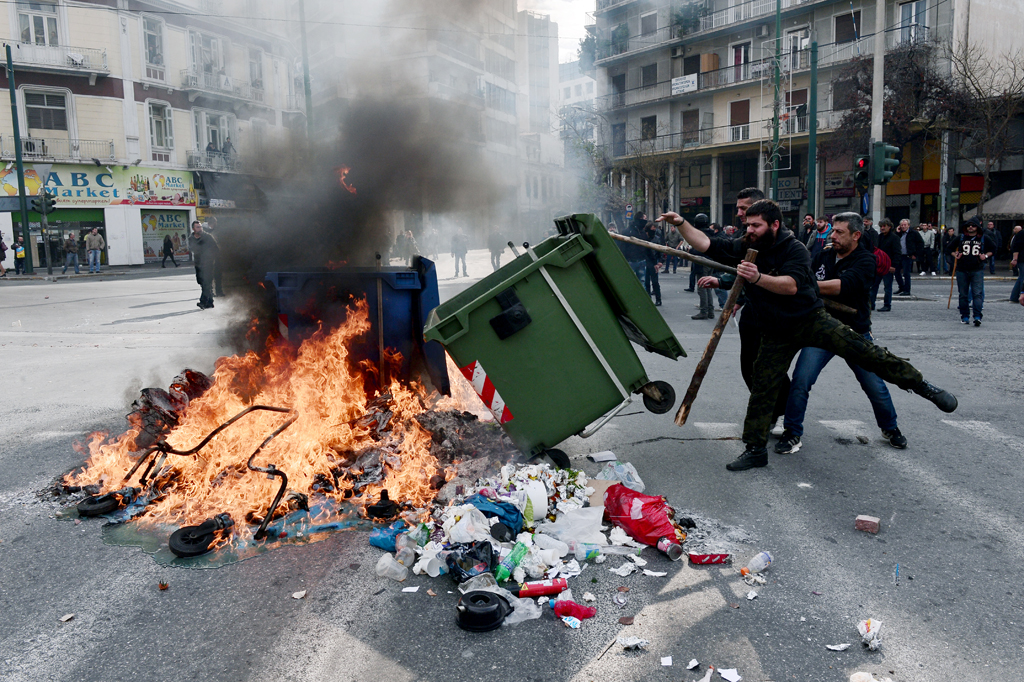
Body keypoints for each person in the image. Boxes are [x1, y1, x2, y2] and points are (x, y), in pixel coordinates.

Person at [659, 199, 957, 471]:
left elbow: (790, 286)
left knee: (867, 354)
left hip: (809, 320)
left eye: (756, 225)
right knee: (763, 385)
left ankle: (923, 386)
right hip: (776, 329)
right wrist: (680, 224)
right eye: (747, 225)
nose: (749, 230)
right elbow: (707, 243)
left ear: (774, 225)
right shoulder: (748, 244)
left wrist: (758, 278)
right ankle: (755, 449)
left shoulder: (795, 249)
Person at [775, 213, 907, 455]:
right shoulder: (823, 256)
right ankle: (792, 433)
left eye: (839, 232)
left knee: (873, 385)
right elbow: (805, 276)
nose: (833, 236)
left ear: (856, 235)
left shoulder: (865, 260)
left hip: (854, 333)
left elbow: (841, 286)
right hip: (821, 331)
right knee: (801, 380)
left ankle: (891, 428)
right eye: (833, 231)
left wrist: (806, 287)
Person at [949, 218, 996, 326]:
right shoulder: (960, 237)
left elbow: (993, 249)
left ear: (977, 227)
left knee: (977, 294)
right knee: (963, 295)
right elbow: (949, 248)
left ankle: (977, 316)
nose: (971, 227)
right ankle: (965, 316)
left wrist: (986, 256)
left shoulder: (984, 238)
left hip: (977, 269)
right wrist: (955, 254)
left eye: (973, 226)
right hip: (962, 269)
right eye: (968, 225)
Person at [188, 220, 219, 309]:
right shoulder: (191, 238)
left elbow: (216, 249)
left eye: (200, 226)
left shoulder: (208, 237)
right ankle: (210, 302)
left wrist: (212, 258)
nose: (200, 228)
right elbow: (192, 248)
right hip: (198, 264)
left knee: (206, 282)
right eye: (198, 227)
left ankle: (203, 301)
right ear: (193, 229)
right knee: (202, 282)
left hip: (208, 264)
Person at [870, 218, 899, 312]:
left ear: (889, 227)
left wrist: (894, 265)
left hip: (888, 265)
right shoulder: (879, 237)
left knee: (887, 286)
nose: (882, 228)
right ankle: (871, 304)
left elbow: (897, 252)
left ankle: (887, 304)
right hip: (878, 265)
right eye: (881, 226)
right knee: (874, 285)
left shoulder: (894, 238)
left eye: (884, 226)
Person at [894, 219, 923, 295]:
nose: (903, 227)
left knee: (906, 273)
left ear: (908, 225)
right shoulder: (899, 233)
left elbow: (920, 243)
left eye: (905, 225)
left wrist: (916, 254)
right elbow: (894, 240)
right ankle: (901, 287)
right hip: (899, 255)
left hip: (908, 256)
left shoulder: (914, 233)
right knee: (896, 272)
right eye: (902, 225)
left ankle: (907, 290)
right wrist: (897, 232)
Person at [642, 220, 663, 306]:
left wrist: (660, 261)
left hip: (654, 261)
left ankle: (658, 299)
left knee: (655, 282)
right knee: (646, 282)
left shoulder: (656, 238)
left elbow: (660, 250)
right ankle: (648, 298)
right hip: (645, 261)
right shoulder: (644, 238)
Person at [1010, 226, 1024, 301]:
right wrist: (1015, 259)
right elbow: (1016, 248)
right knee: (1023, 277)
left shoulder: (1020, 234)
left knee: (1021, 277)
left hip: (1021, 258)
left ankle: (1014, 297)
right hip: (1022, 258)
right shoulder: (1021, 234)